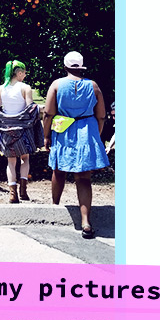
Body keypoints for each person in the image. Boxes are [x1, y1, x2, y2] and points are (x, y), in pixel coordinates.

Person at [43, 51, 109, 238]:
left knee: (58, 171)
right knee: (83, 178)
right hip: (86, 132)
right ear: (81, 67)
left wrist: (46, 135)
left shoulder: (56, 85)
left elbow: (48, 114)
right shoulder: (93, 86)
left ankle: (54, 208)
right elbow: (101, 115)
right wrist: (96, 134)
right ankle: (86, 222)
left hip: (63, 131)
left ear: (65, 67)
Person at [0, 59, 42, 203]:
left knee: (10, 162)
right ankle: (23, 192)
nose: (25, 75)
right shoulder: (25, 88)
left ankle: (12, 194)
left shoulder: (0, 89)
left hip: (6, 131)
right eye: (24, 73)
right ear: (19, 73)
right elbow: (30, 109)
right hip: (23, 130)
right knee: (25, 158)